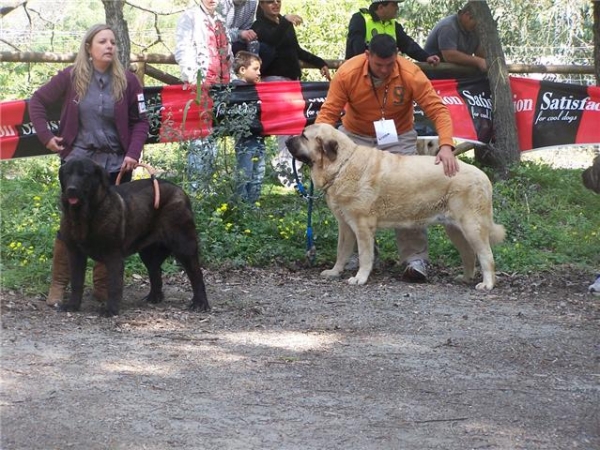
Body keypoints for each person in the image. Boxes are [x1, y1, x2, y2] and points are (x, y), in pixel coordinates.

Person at [314, 34, 458, 282]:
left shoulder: (410, 73)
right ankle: (358, 255)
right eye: (378, 64)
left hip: (397, 135)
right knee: (348, 195)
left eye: (389, 64)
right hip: (355, 136)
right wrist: (318, 145)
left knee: (409, 190)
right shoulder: (348, 72)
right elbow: (328, 113)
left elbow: (437, 108)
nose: (384, 69)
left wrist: (446, 145)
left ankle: (415, 258)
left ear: (397, 56)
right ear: (367, 55)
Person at [28, 23, 149, 306]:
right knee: (70, 226)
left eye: (113, 42)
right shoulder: (71, 77)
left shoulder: (129, 81)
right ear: (89, 47)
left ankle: (103, 287)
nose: (109, 46)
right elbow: (37, 101)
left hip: (115, 164)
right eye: (102, 42)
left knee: (111, 226)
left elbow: (141, 121)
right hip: (78, 164)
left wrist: (133, 152)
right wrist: (46, 137)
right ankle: (59, 285)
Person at [251, 0, 331, 187]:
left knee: (296, 126)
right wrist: (286, 21)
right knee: (284, 128)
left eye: (278, 1)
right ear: (261, 5)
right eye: (270, 2)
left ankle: (293, 171)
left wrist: (320, 62)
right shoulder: (259, 26)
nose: (275, 5)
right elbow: (271, 40)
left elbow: (295, 50)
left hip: (292, 80)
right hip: (274, 81)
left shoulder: (284, 24)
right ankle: (287, 174)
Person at [175, 0, 231, 191]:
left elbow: (226, 52)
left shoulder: (221, 19)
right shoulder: (189, 17)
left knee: (213, 135)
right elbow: (182, 50)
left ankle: (207, 185)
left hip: (221, 86)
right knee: (198, 137)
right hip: (200, 86)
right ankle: (196, 188)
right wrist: (194, 80)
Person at [345, 0, 440, 66]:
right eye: (394, 5)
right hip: (359, 71)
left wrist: (426, 57)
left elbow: (408, 44)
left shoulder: (394, 25)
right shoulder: (361, 19)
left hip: (384, 72)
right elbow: (356, 46)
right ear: (381, 7)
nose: (397, 8)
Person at [231, 50, 266, 203]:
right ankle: (241, 206)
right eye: (255, 69)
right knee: (245, 172)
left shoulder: (257, 90)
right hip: (245, 139)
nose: (259, 73)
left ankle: (252, 204)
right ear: (243, 70)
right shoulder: (236, 90)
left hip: (259, 136)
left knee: (258, 172)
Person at [221, 0, 303, 55]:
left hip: (237, 40)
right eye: (270, 1)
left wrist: (248, 34)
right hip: (218, 43)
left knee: (264, 49)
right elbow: (217, 33)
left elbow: (247, 27)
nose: (276, 3)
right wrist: (240, 34)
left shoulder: (252, 2)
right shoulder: (221, 3)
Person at [424, 3, 487, 72]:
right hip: (435, 72)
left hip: (455, 73)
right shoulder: (448, 27)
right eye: (476, 22)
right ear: (467, 15)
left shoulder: (473, 29)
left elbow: (480, 53)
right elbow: (449, 56)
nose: (477, 25)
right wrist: (478, 61)